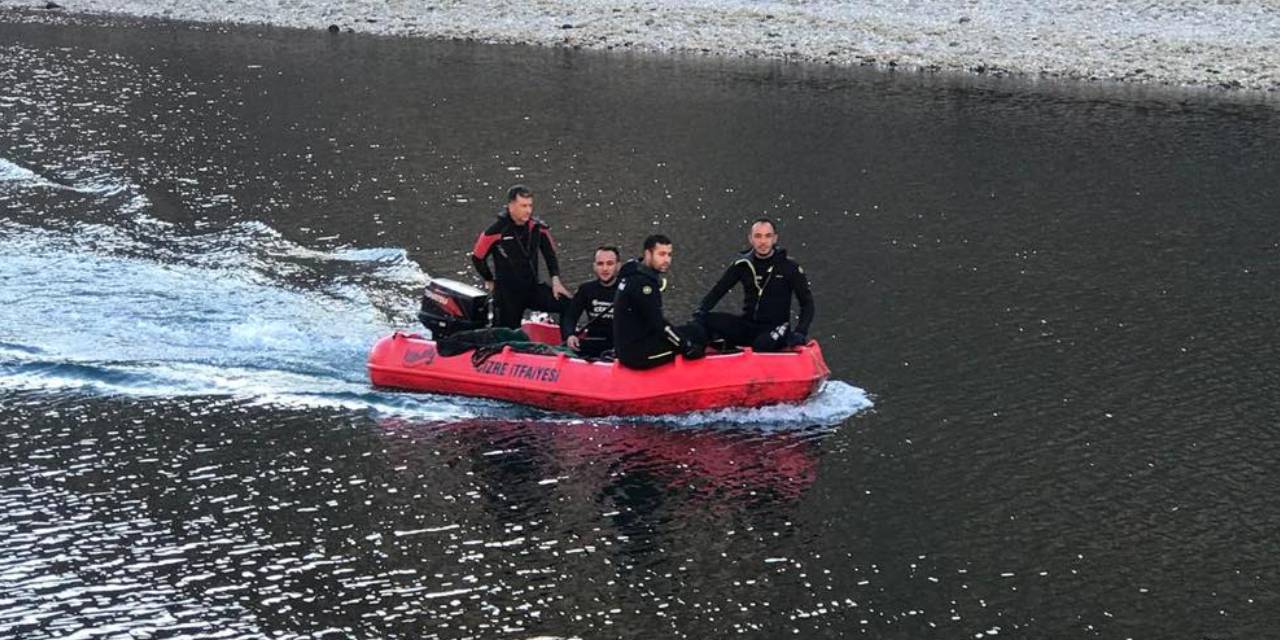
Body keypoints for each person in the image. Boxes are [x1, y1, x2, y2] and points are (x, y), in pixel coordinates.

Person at [695, 218, 814, 352]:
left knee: (761, 345)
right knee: (705, 320)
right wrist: (700, 312)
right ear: (751, 239)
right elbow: (718, 291)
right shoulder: (742, 265)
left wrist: (801, 332)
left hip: (775, 327)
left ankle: (741, 351)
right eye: (758, 236)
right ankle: (710, 353)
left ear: (775, 238)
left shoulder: (789, 267)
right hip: (748, 325)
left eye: (767, 236)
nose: (763, 242)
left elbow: (807, 303)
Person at [470, 184, 571, 328]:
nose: (528, 210)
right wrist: (489, 279)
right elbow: (477, 258)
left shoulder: (537, 228)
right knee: (506, 336)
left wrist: (556, 280)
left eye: (530, 205)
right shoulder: (496, 231)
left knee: (569, 304)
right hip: (508, 295)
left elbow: (550, 254)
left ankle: (567, 343)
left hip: (532, 289)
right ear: (511, 206)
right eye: (523, 206)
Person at [613, 234, 706, 370]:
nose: (667, 260)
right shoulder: (644, 286)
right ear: (648, 254)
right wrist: (686, 346)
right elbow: (659, 324)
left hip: (635, 341)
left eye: (669, 255)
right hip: (637, 354)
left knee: (695, 330)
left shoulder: (633, 273)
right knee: (696, 338)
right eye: (661, 254)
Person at [560, 245, 621, 359]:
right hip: (594, 342)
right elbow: (570, 316)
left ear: (618, 266)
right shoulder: (586, 289)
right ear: (594, 266)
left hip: (619, 345)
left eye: (609, 264)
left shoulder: (627, 290)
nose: (605, 269)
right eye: (600, 264)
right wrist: (570, 335)